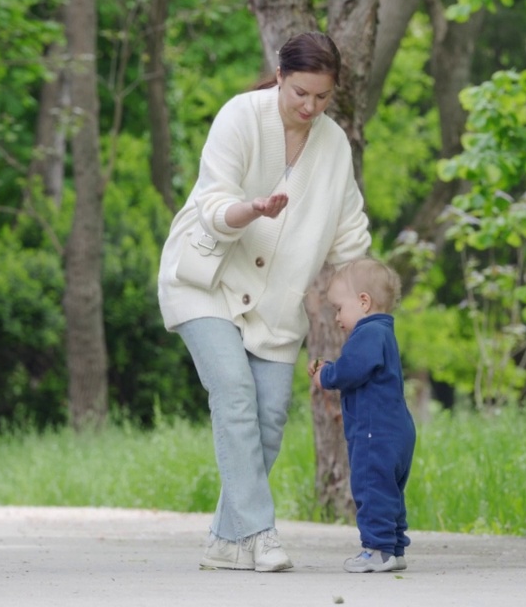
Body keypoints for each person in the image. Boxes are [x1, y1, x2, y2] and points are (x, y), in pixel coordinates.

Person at [158, 31, 371, 573]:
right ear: (279, 76)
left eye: (323, 97)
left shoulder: (334, 145)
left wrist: (372, 304)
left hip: (275, 306)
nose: (310, 107)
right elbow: (211, 204)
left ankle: (225, 542)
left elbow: (350, 238)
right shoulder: (240, 116)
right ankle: (260, 532)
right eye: (301, 92)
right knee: (232, 392)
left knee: (269, 420)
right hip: (204, 280)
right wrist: (249, 210)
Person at [308, 257, 416, 573]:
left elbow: (352, 369)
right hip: (395, 429)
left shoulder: (368, 333)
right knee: (389, 490)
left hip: (375, 431)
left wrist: (325, 374)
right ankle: (394, 548)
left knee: (371, 487)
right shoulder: (383, 333)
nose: (338, 316)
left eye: (340, 308)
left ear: (364, 302)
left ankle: (377, 549)